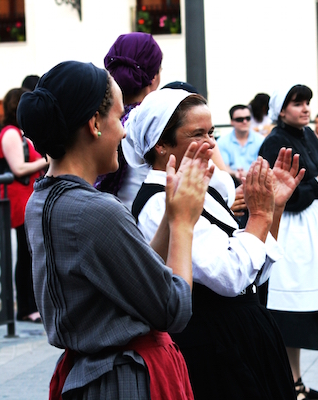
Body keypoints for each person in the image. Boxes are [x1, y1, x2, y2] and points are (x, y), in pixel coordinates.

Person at [18, 60, 211, 399]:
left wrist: (170, 212)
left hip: (88, 376)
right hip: (124, 380)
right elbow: (173, 308)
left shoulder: (43, 200)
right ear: (94, 123)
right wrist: (183, 223)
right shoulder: (95, 210)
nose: (124, 132)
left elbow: (133, 275)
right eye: (119, 118)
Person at [125, 88, 303, 399]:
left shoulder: (201, 191)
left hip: (241, 338)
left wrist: (273, 209)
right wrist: (259, 215)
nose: (210, 143)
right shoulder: (158, 204)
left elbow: (256, 272)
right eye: (197, 134)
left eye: (211, 132)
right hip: (217, 349)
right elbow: (229, 276)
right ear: (162, 144)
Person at [259, 83, 318, 399]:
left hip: (313, 226)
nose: (305, 108)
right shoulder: (275, 142)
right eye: (297, 103)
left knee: (297, 314)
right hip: (289, 230)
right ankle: (290, 384)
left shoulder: (308, 135)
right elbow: (288, 198)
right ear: (281, 109)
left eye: (307, 102)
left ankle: (295, 381)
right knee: (288, 311)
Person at [95, 32, 163, 209]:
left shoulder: (97, 118)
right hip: (151, 220)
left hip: (107, 219)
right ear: (154, 77)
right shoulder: (159, 119)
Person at [0, 87, 48, 323]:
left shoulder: (17, 132)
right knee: (24, 253)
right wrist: (44, 162)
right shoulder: (10, 133)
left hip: (23, 195)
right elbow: (18, 168)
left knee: (27, 252)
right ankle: (25, 308)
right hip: (15, 197)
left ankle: (29, 306)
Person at [218, 104, 265, 182]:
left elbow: (264, 166)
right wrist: (236, 173)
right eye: (240, 119)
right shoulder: (222, 141)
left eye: (248, 118)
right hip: (232, 181)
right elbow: (223, 168)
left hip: (256, 181)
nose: (245, 121)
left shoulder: (261, 140)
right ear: (232, 122)